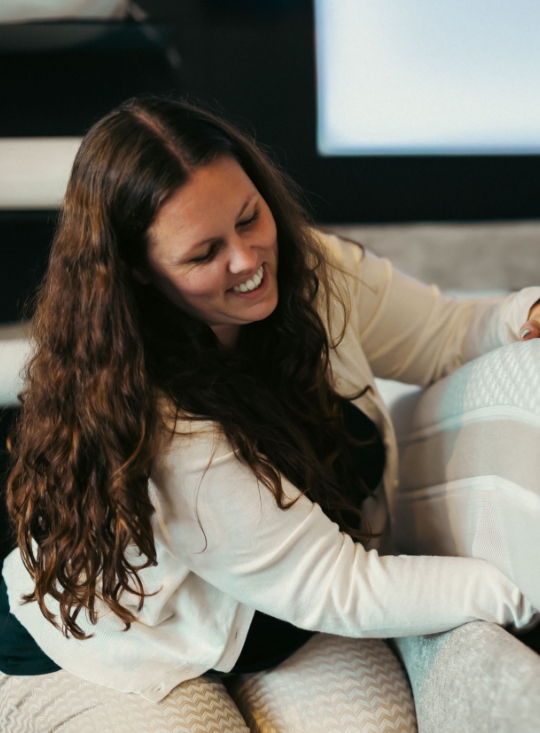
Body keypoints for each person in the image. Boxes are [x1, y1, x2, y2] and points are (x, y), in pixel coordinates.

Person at [1, 97, 539, 733]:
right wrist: (524, 589)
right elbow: (340, 586)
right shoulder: (158, 418)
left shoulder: (315, 272)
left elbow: (445, 334)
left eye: (249, 218)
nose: (248, 259)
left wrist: (523, 316)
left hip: (278, 618)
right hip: (117, 641)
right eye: (204, 254)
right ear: (139, 272)